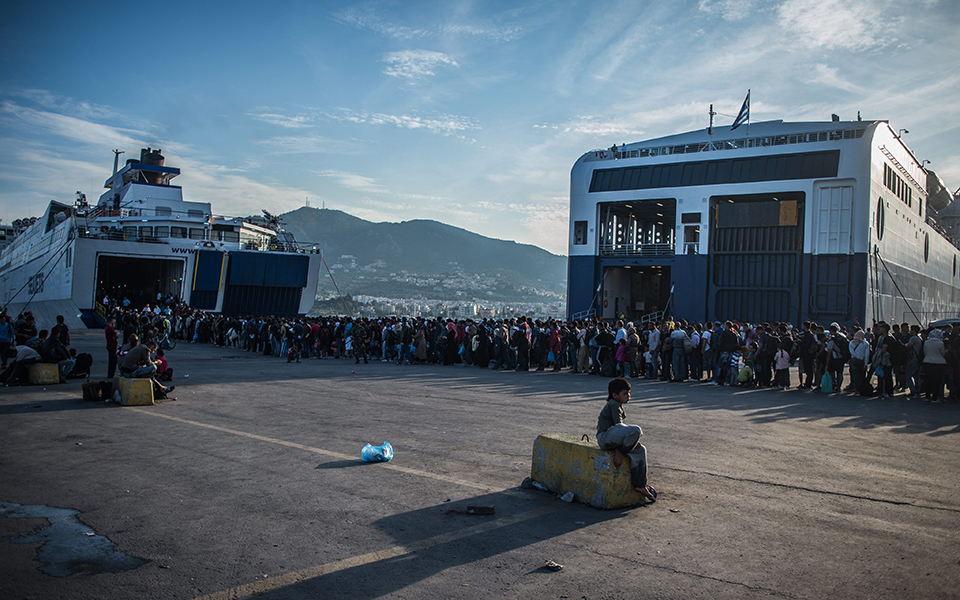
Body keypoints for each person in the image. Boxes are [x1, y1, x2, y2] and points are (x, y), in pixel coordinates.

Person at [596, 378, 657, 503]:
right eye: (625, 394)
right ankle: (620, 452)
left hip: (613, 438)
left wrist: (632, 442)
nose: (629, 396)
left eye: (629, 393)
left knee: (640, 451)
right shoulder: (613, 404)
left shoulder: (618, 405)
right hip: (605, 437)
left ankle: (640, 485)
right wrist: (623, 449)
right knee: (636, 430)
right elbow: (619, 426)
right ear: (615, 395)